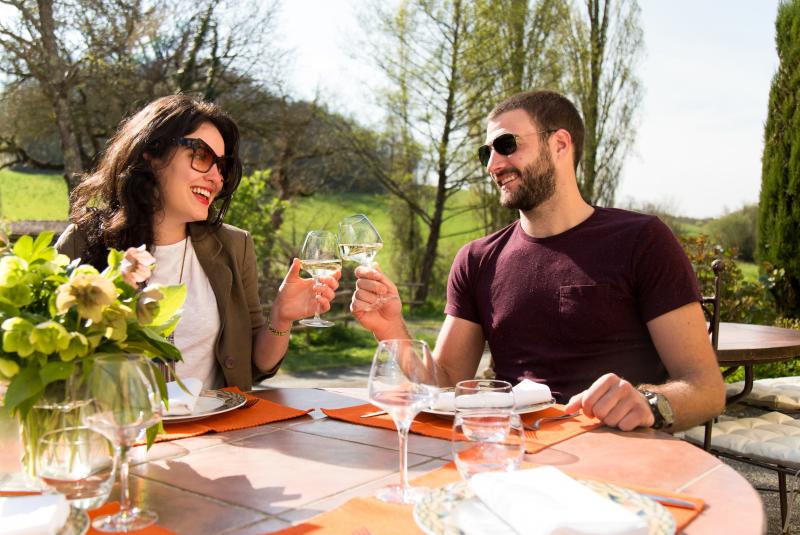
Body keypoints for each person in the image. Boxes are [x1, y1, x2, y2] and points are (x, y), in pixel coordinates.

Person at [351, 90, 725, 432]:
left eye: (506, 145)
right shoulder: (477, 260)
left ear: (560, 144)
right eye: (487, 152)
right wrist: (391, 329)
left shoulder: (642, 240)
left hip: (618, 458)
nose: (492, 165)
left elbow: (706, 388)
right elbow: (446, 384)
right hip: (510, 457)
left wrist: (650, 403)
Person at [56, 94, 339, 391]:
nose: (216, 177)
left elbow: (255, 366)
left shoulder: (235, 246)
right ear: (150, 152)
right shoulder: (82, 242)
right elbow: (55, 361)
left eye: (222, 165)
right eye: (202, 156)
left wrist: (281, 317)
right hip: (125, 431)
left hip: (215, 431)